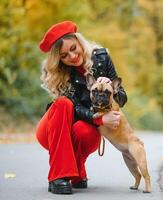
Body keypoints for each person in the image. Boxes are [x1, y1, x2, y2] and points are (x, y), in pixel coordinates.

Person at [35, 21, 127, 195]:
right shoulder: (61, 73)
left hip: (82, 129)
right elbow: (75, 107)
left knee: (88, 132)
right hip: (52, 131)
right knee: (63, 103)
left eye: (73, 48)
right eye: (63, 55)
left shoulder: (102, 57)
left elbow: (122, 98)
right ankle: (58, 176)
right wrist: (99, 118)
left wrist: (112, 91)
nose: (72, 56)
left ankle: (76, 172)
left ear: (79, 42)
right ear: (58, 59)